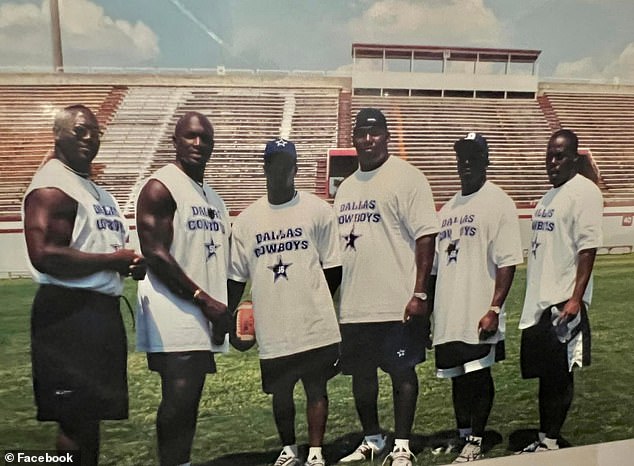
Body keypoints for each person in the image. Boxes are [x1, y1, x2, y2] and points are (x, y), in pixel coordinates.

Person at [22, 104, 145, 465]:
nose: (90, 138)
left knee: (90, 417)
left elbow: (94, 248)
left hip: (98, 313)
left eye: (95, 132)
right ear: (57, 134)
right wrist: (112, 262)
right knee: (74, 420)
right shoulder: (52, 185)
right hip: (67, 314)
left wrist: (126, 265)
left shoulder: (92, 189)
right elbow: (44, 254)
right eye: (80, 131)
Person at [334, 108, 439, 466]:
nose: (367, 140)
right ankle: (373, 438)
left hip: (396, 301)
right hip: (355, 302)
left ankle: (403, 444)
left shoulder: (407, 177)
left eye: (374, 132)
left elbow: (426, 237)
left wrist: (420, 293)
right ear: (353, 140)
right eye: (361, 133)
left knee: (401, 372)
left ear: (387, 136)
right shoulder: (346, 188)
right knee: (361, 377)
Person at [228, 138, 342, 466]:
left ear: (295, 168)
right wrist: (227, 318)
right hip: (272, 321)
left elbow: (333, 267)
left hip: (313, 322)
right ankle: (289, 449)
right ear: (264, 168)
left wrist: (315, 302)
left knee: (316, 386)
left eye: (285, 165)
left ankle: (316, 452)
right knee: (281, 392)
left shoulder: (318, 210)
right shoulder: (248, 220)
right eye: (272, 164)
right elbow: (236, 278)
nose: (279, 171)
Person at [135, 111, 230, 466]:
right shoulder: (161, 186)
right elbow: (155, 253)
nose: (197, 143)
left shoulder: (215, 199)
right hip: (172, 308)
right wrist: (202, 300)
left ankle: (182, 461)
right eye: (190, 136)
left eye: (205, 138)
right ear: (174, 141)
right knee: (177, 396)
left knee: (190, 396)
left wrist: (219, 310)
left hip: (202, 311)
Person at [430, 133, 523, 462]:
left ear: (486, 161)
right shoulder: (449, 207)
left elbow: (508, 260)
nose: (466, 163)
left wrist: (494, 307)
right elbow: (436, 266)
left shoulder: (499, 202)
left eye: (474, 157)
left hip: (479, 307)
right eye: (462, 157)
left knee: (478, 373)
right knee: (457, 376)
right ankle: (463, 434)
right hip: (449, 311)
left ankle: (478, 438)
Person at [517, 129, 603, 453]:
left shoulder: (584, 192)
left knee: (560, 374)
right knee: (545, 375)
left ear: (574, 157)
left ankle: (551, 440)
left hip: (563, 302)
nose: (553, 162)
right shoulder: (549, 196)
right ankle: (544, 439)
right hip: (540, 302)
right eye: (549, 156)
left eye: (560, 156)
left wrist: (576, 299)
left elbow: (588, 247)